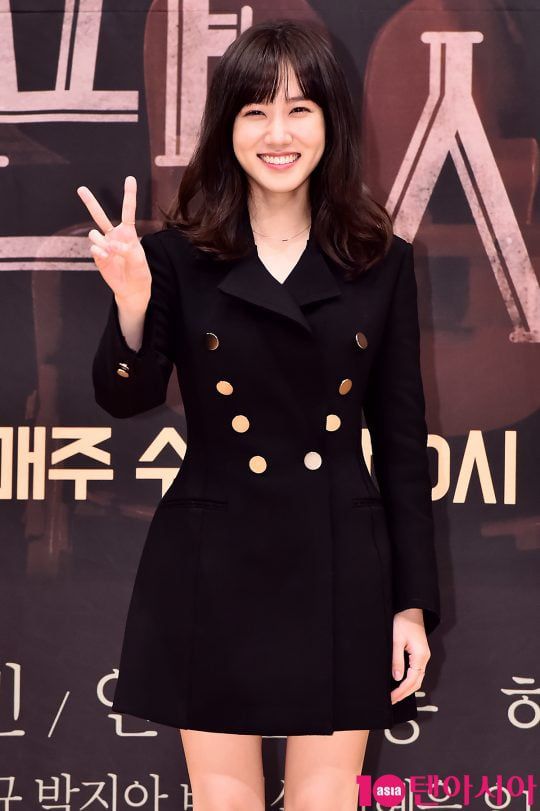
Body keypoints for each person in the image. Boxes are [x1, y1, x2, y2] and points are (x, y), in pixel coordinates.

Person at [78, 18, 441, 811]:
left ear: (332, 122)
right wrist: (133, 303)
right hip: (213, 557)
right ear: (227, 126)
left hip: (340, 559)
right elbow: (125, 395)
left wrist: (410, 602)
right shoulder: (175, 257)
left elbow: (402, 444)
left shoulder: (379, 262)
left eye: (300, 109)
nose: (278, 134)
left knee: (326, 799)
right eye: (255, 111)